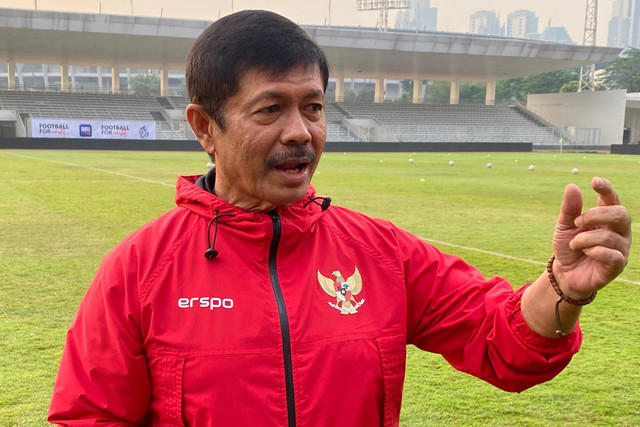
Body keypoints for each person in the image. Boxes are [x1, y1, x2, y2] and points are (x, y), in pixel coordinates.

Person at [48, 10, 632, 426]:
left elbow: (501, 341)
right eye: (270, 108)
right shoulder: (139, 269)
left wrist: (563, 288)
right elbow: (91, 417)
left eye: (314, 107)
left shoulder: (381, 252)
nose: (301, 132)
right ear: (204, 127)